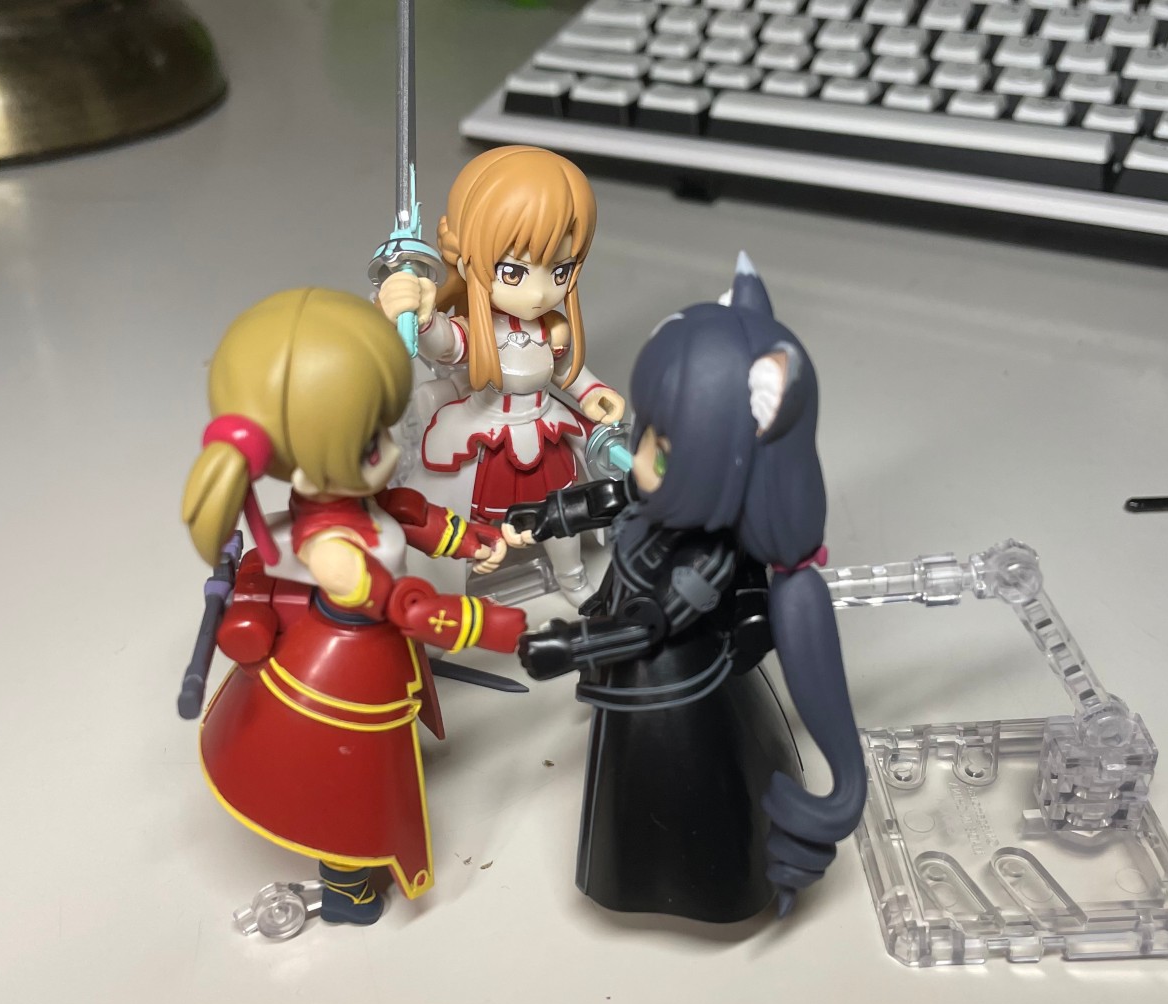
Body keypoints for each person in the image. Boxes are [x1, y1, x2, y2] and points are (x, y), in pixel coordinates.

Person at [503, 257, 866, 923]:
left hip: (673, 691)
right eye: (647, 432)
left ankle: (690, 885)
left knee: (665, 799)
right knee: (629, 785)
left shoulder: (709, 561)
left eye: (663, 450)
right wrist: (551, 514)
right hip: (636, 668)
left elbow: (650, 625)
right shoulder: (661, 495)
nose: (640, 455)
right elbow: (617, 493)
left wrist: (573, 644)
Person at [182, 287, 525, 925]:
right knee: (348, 783)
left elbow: (405, 514)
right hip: (345, 666)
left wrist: (468, 537)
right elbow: (401, 604)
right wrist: (489, 625)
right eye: (372, 444)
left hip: (369, 654)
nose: (392, 451)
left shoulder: (345, 500)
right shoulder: (332, 549)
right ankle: (347, 889)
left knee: (373, 761)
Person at [377, 145, 624, 606]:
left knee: (560, 514)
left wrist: (593, 392)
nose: (539, 292)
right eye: (513, 271)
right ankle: (456, 584)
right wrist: (423, 316)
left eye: (560, 271)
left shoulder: (551, 329)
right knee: (466, 513)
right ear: (467, 257)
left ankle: (571, 577)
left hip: (545, 432)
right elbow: (445, 344)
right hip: (486, 434)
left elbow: (567, 371)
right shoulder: (478, 330)